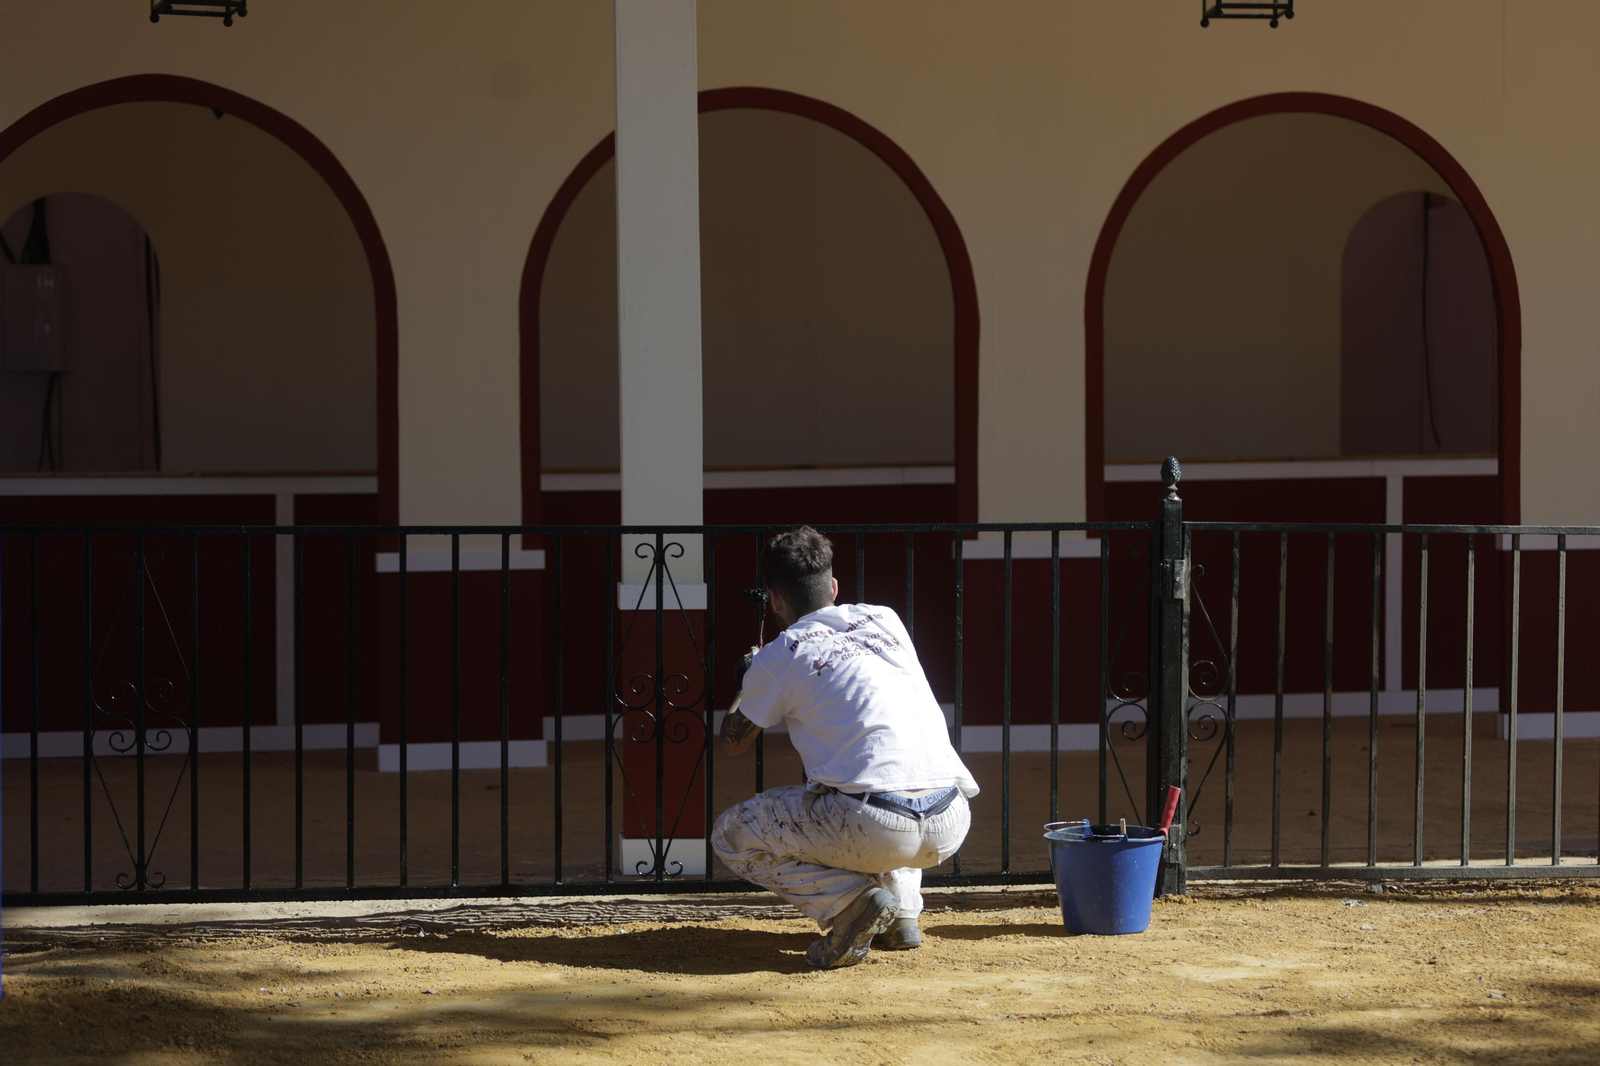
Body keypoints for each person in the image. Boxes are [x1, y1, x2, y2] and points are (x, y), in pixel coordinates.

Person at [710, 526, 979, 969]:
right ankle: (904, 912)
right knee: (884, 771)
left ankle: (852, 903)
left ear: (775, 600)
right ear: (833, 587)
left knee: (732, 833)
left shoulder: (781, 652)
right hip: (950, 819)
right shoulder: (886, 619)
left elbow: (734, 741)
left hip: (874, 824)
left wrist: (749, 679)